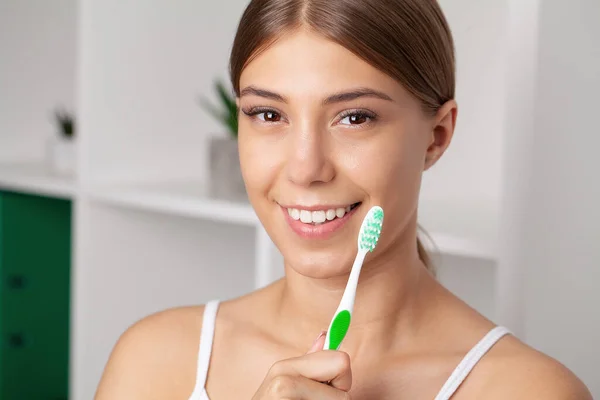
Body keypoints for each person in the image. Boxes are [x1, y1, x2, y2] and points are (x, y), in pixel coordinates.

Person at [95, 0, 593, 399]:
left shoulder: (529, 391)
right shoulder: (155, 359)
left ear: (436, 136)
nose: (306, 168)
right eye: (269, 115)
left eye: (354, 117)